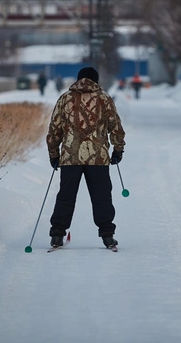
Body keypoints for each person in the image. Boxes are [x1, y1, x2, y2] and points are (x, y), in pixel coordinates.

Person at [46, 66, 126, 250]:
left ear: (78, 79)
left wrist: (54, 154)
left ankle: (57, 235)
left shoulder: (65, 98)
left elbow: (54, 129)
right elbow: (115, 126)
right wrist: (118, 149)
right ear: (96, 80)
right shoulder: (104, 98)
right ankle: (107, 236)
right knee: (102, 197)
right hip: (97, 157)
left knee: (66, 197)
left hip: (70, 156)